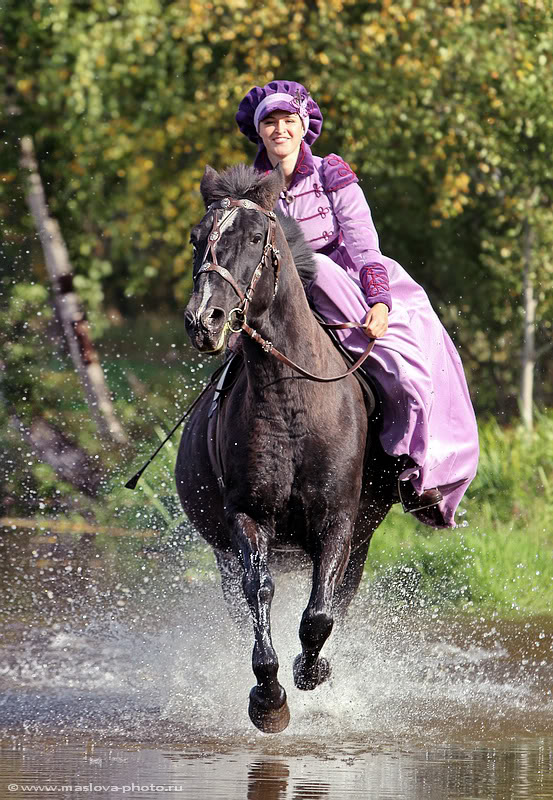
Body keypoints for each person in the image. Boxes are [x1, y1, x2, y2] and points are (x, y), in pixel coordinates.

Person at [235, 80, 479, 528]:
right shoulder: (249, 189)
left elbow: (365, 245)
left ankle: (412, 476)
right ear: (259, 130)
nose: (279, 129)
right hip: (272, 302)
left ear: (303, 126)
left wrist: (380, 304)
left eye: (288, 120)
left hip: (341, 285)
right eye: (270, 122)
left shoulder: (332, 173)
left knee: (407, 375)